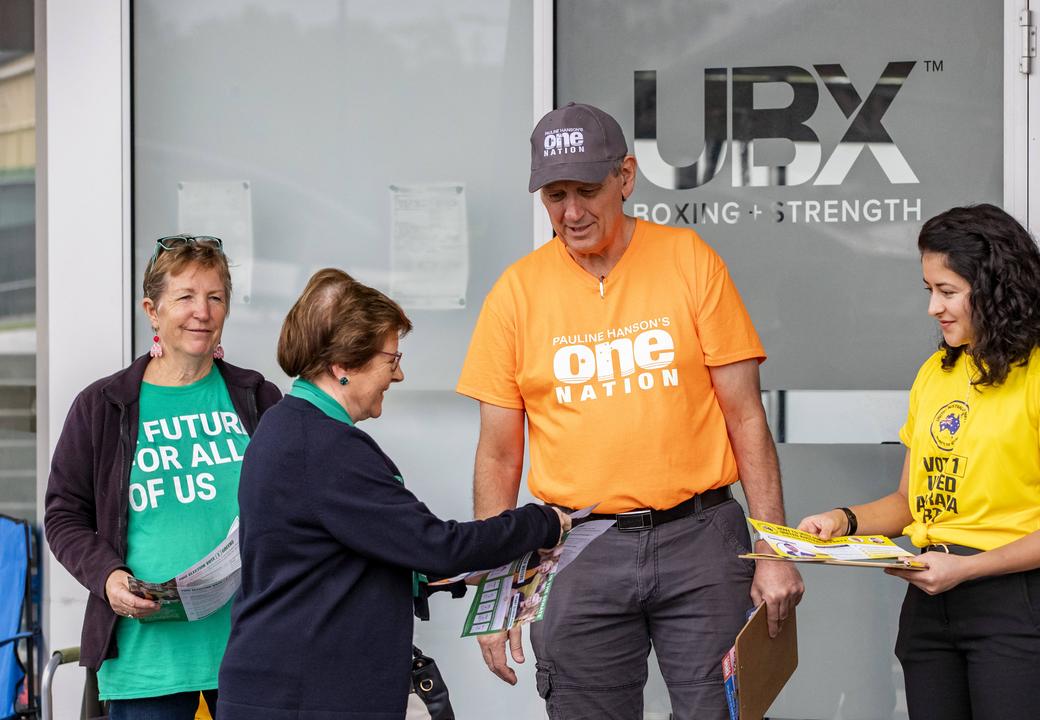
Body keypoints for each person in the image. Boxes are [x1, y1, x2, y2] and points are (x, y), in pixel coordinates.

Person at [457, 102, 804, 719]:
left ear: (627, 176)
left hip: (701, 539)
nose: (571, 213)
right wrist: (499, 589)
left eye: (587, 190)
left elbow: (746, 416)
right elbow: (499, 452)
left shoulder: (689, 260)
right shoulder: (516, 293)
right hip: (576, 548)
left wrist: (774, 548)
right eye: (554, 195)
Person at [798, 204, 1040, 720]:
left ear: (993, 287)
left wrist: (967, 568)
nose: (933, 308)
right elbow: (906, 502)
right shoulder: (934, 375)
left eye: (947, 291)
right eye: (929, 291)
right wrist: (841, 521)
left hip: (1014, 604)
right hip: (931, 600)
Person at [216, 269, 570, 720]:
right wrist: (543, 522)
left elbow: (338, 554)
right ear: (342, 366)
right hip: (304, 695)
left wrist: (443, 578)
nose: (399, 374)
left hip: (284, 687)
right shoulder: (326, 447)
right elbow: (436, 545)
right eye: (391, 359)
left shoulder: (288, 426)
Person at [45, 235, 281, 718]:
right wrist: (107, 576)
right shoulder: (103, 406)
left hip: (250, 652)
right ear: (152, 310)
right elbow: (64, 516)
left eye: (216, 297)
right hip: (145, 663)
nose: (203, 311)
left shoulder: (257, 398)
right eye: (186, 297)